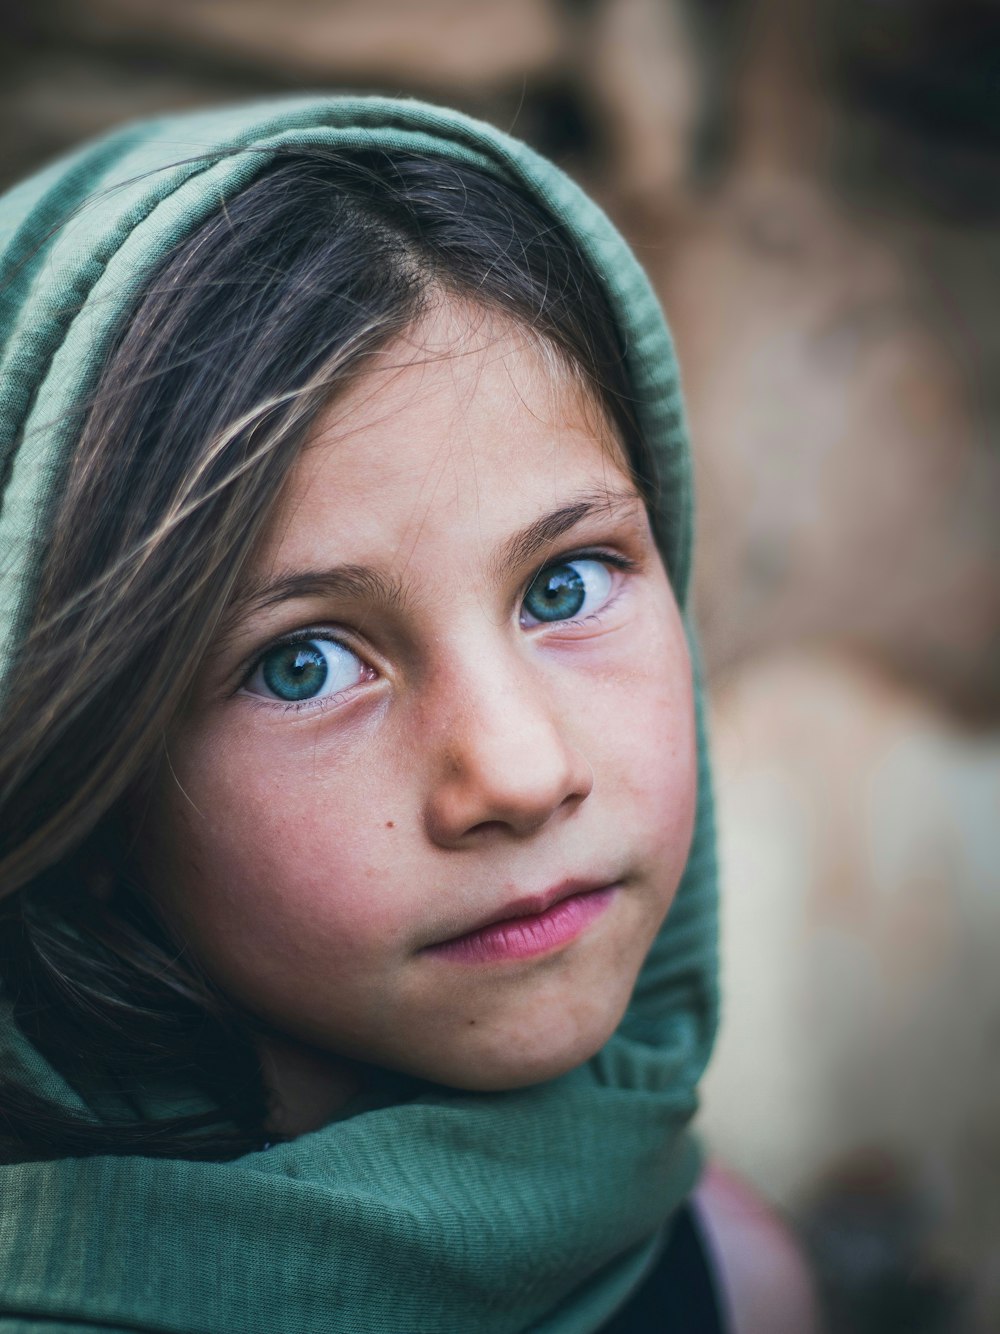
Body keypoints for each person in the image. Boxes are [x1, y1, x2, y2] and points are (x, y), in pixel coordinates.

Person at [0, 95, 757, 1332]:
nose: (516, 770)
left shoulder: (725, 1260)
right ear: (76, 774)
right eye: (303, 663)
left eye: (564, 584)